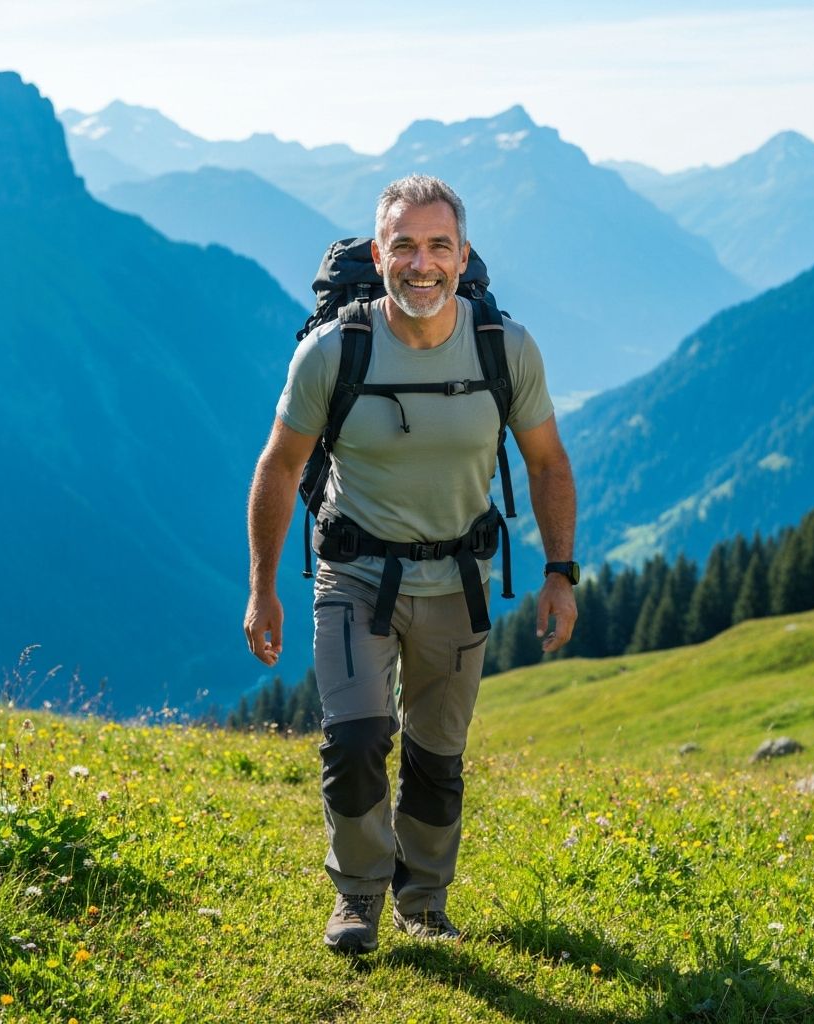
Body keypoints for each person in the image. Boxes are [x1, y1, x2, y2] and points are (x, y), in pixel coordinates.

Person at [244, 175, 577, 954]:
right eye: (403, 245)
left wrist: (561, 571)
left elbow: (549, 465)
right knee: (355, 737)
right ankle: (357, 896)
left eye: (437, 246)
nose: (419, 264)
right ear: (377, 252)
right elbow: (278, 468)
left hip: (457, 581)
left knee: (437, 756)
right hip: (353, 575)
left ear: (462, 257)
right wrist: (263, 588)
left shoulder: (505, 348)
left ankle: (423, 901)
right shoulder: (334, 350)